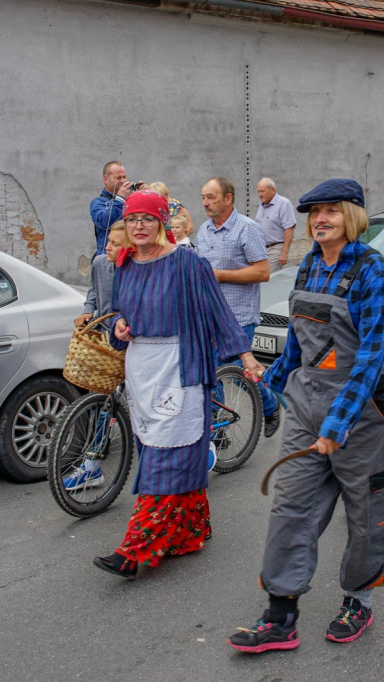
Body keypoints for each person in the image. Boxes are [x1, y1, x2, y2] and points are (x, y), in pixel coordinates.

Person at [229, 178, 384, 654]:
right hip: (309, 407)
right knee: (291, 507)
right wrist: (271, 378)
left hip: (364, 413)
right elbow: (303, 342)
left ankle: (358, 601)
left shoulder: (374, 273)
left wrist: (338, 424)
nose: (320, 219)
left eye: (331, 210)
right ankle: (280, 616)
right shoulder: (309, 265)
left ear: (353, 216)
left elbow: (371, 358)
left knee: (365, 513)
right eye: (315, 213)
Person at [92, 190, 263, 579]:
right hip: (142, 368)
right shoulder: (126, 264)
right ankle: (191, 530)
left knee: (166, 455)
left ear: (161, 224)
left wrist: (246, 356)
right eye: (132, 219)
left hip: (180, 366)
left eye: (147, 219)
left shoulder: (188, 263)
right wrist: (119, 325)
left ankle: (136, 549)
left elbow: (218, 311)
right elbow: (117, 311)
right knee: (156, 447)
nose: (138, 226)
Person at [195, 177, 281, 437]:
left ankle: (270, 404)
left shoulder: (247, 228)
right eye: (203, 197)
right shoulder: (203, 231)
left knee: (237, 371)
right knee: (211, 373)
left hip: (238, 316)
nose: (205, 203)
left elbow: (263, 272)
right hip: (208, 316)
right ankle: (218, 427)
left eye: (211, 197)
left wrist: (221, 275)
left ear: (228, 198)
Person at [74, 221, 125, 332]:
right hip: (102, 330)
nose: (107, 247)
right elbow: (93, 288)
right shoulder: (99, 263)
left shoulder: (138, 272)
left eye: (115, 244)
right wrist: (88, 310)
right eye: (108, 241)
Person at [90, 161, 135, 256]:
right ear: (105, 179)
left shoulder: (129, 200)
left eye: (124, 177)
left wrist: (144, 195)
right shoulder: (98, 202)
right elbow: (104, 223)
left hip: (130, 256)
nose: (123, 181)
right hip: (108, 257)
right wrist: (120, 199)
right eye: (118, 178)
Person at [255, 177, 297, 273]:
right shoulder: (261, 206)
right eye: (258, 192)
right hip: (262, 250)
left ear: (272, 190)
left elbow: (289, 228)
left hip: (276, 249)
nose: (260, 195)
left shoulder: (284, 204)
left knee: (269, 277)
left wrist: (284, 252)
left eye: (262, 191)